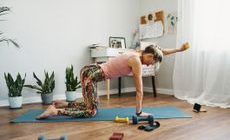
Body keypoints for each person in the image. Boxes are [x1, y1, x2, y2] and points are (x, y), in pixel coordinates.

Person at [36, 42, 190, 119]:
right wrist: (139, 112)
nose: (150, 65)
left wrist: (179, 50)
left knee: (93, 104)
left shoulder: (140, 52)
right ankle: (56, 111)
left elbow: (161, 51)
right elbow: (139, 90)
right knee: (91, 111)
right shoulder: (136, 61)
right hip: (91, 74)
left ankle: (61, 103)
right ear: (149, 56)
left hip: (91, 71)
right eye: (152, 62)